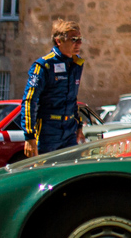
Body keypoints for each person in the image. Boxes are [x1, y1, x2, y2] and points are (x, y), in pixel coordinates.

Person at [24, 19, 87, 157]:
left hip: (69, 130)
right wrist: (29, 136)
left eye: (80, 39)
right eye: (74, 39)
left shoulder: (77, 63)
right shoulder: (44, 65)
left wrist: (78, 126)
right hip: (48, 131)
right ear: (59, 41)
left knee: (70, 173)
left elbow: (72, 98)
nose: (79, 43)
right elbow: (29, 100)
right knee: (45, 174)